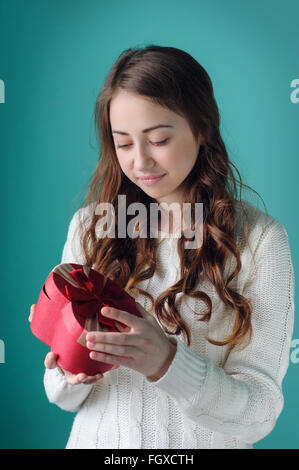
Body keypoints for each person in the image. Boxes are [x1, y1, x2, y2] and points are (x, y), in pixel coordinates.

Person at [30, 45, 295, 449]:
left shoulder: (260, 240)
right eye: (123, 144)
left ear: (202, 128)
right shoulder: (90, 228)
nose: (140, 162)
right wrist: (69, 367)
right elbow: (61, 396)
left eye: (158, 139)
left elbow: (258, 414)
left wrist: (167, 362)